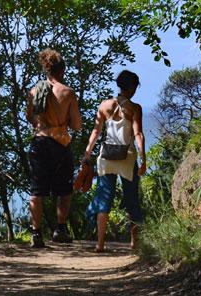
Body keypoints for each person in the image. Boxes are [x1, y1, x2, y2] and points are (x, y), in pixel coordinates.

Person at [84, 70, 146, 252]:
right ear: (132, 87)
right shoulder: (135, 108)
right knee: (131, 198)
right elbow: (138, 134)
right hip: (126, 158)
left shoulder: (104, 106)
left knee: (104, 198)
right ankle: (135, 243)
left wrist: (87, 153)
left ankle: (100, 244)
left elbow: (96, 132)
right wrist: (143, 158)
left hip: (106, 158)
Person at [26, 48, 82, 248]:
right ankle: (60, 229)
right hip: (61, 144)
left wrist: (42, 125)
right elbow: (76, 125)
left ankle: (36, 233)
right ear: (62, 71)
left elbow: (29, 117)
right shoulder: (67, 93)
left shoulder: (34, 90)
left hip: (39, 143)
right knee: (64, 190)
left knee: (36, 190)